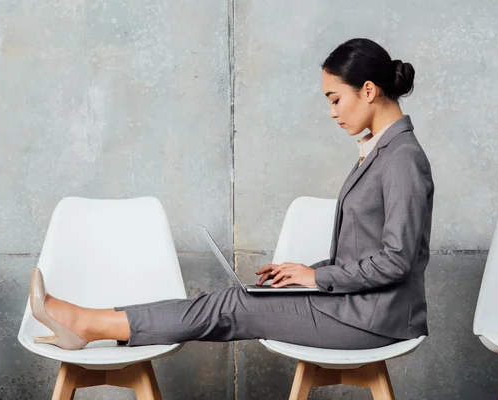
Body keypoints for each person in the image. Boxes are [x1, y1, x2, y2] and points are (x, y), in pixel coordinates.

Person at [29, 38, 434, 351]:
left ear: (367, 90)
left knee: (232, 308)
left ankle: (87, 324)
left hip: (375, 319)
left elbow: (397, 260)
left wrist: (318, 277)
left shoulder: (401, 157)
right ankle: (90, 321)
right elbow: (365, 250)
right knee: (232, 300)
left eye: (335, 99)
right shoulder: (381, 150)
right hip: (356, 306)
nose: (332, 112)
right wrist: (304, 273)